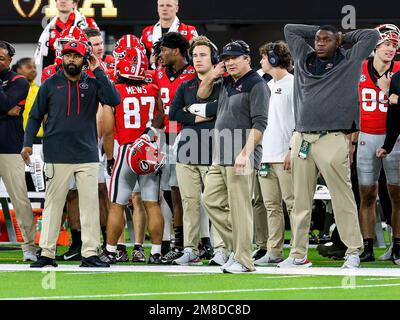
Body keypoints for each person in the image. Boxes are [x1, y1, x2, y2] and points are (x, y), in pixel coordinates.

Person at [281, 24, 379, 269]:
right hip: (302, 138)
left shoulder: (349, 59)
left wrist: (343, 36)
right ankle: (297, 255)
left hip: (333, 138)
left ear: (338, 43)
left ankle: (354, 251)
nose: (320, 43)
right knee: (300, 200)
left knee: (342, 197)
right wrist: (324, 31)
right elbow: (290, 29)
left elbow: (372, 35)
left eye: (327, 40)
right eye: (318, 39)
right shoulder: (304, 56)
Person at [22, 40, 120, 268]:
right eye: (68, 56)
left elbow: (114, 99)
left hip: (87, 154)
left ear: (84, 59)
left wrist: (99, 70)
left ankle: (89, 254)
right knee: (53, 205)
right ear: (62, 58)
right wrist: (27, 144)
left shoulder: (94, 83)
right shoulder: (49, 84)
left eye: (76, 56)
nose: (71, 60)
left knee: (90, 207)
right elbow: (35, 116)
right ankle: (46, 253)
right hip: (56, 154)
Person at [190, 40, 270, 273]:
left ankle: (244, 260)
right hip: (221, 155)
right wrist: (214, 73)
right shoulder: (225, 81)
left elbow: (260, 124)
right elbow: (201, 93)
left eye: (235, 57)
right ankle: (240, 246)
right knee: (210, 200)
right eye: (226, 58)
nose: (230, 62)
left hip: (241, 155)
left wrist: (245, 154)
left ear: (247, 59)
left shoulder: (256, 84)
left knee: (240, 208)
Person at [100, 47, 165, 264]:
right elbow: (161, 117)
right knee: (151, 203)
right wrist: (150, 136)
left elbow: (108, 130)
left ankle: (110, 250)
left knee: (117, 204)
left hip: (127, 149)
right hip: (148, 150)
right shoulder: (153, 88)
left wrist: (110, 158)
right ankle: (155, 252)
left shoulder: (115, 90)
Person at [168, 36, 225, 266]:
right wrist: (202, 115)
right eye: (195, 55)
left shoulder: (224, 84)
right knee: (189, 202)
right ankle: (191, 249)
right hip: (187, 150)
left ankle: (221, 247)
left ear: (213, 57)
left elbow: (222, 109)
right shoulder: (185, 85)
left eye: (203, 54)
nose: (198, 59)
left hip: (213, 148)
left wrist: (193, 111)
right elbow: (174, 114)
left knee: (216, 202)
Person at [356, 24, 400, 262]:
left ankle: (397, 246)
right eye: (386, 44)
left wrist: (388, 93)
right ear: (375, 46)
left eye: (394, 45)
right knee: (367, 194)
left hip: (395, 137)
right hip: (366, 135)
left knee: (396, 195)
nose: (390, 49)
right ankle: (368, 247)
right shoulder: (359, 68)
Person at [154, 32, 197, 264]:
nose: (160, 54)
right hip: (169, 137)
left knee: (185, 194)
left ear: (176, 51)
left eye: (164, 50)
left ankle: (185, 244)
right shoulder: (159, 74)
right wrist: (153, 134)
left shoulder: (193, 73)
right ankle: (183, 242)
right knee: (171, 193)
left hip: (190, 137)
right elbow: (162, 110)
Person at [252, 41, 295, 266]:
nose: (260, 61)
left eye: (263, 57)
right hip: (266, 157)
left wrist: (292, 150)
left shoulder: (293, 84)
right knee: (271, 207)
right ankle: (274, 251)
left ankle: (298, 253)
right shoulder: (266, 85)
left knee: (293, 206)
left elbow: (300, 122)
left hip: (285, 156)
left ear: (274, 59)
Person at [0, 41, 37, 262]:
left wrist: (6, 108)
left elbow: (6, 103)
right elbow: (6, 107)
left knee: (20, 199)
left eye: (1, 58)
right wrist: (6, 111)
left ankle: (29, 247)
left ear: (10, 60)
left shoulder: (18, 81)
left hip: (10, 148)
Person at [376, 68, 400, 266]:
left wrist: (392, 97)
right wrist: (388, 145)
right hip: (396, 143)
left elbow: (394, 102)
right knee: (397, 199)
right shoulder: (398, 77)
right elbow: (393, 117)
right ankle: (397, 246)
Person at [35, 0, 97, 69]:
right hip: (59, 73)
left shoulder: (88, 23)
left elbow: (96, 50)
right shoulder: (49, 29)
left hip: (83, 72)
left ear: (74, 4)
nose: (62, 1)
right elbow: (48, 61)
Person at [141, 0, 198, 67]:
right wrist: (149, 60)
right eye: (161, 5)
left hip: (181, 74)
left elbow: (196, 56)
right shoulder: (147, 32)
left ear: (176, 8)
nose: (164, 9)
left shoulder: (189, 30)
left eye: (169, 5)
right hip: (155, 74)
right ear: (157, 8)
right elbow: (140, 59)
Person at [12, 58, 42, 140]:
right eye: (29, 67)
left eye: (34, 67)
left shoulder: (40, 89)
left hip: (38, 137)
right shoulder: (13, 88)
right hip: (19, 136)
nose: (33, 70)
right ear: (18, 69)